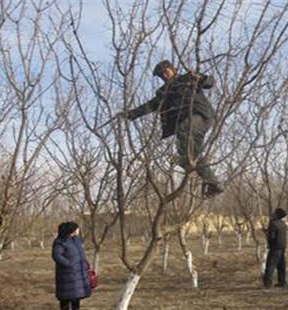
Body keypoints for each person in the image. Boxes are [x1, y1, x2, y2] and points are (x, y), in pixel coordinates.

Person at [117, 60, 223, 197]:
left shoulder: (186, 78)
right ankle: (213, 183)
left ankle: (187, 162)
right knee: (191, 153)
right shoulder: (163, 92)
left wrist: (200, 78)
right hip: (190, 124)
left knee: (183, 130)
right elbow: (149, 106)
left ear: (173, 69)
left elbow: (209, 83)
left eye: (166, 72)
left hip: (200, 115)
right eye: (161, 75)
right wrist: (129, 114)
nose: (165, 76)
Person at [52, 222, 91, 310]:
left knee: (76, 297)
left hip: (78, 273)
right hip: (66, 275)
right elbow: (56, 255)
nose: (78, 230)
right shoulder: (61, 241)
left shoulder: (77, 240)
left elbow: (81, 254)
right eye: (77, 228)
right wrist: (69, 264)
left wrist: (86, 263)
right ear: (71, 230)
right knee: (65, 299)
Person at [262, 208, 287, 288]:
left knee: (270, 265)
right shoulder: (283, 224)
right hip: (282, 247)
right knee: (281, 265)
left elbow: (272, 236)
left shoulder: (273, 223)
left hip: (275, 247)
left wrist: (268, 236)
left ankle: (267, 283)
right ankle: (282, 282)